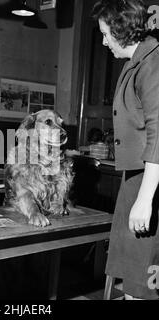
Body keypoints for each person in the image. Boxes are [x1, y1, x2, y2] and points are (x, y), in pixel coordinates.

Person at [93, 0, 159, 300]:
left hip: (150, 182)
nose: (104, 41)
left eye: (106, 34)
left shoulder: (153, 62)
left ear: (122, 30)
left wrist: (145, 200)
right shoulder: (135, 62)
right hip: (136, 178)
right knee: (134, 279)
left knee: (142, 283)